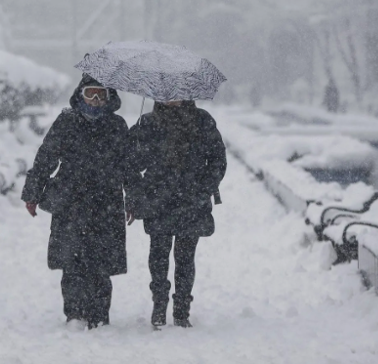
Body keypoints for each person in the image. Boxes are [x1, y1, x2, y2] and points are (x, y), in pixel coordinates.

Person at [21, 75, 128, 329]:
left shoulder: (117, 125)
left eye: (100, 94)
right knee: (72, 261)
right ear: (80, 94)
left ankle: (100, 314)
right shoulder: (66, 121)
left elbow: (129, 167)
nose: (95, 99)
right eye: (90, 93)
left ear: (108, 97)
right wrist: (32, 193)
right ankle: (75, 314)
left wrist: (134, 198)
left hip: (107, 202)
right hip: (71, 201)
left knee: (101, 264)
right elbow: (46, 157)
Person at [125, 100, 227, 328]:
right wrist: (135, 193)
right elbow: (129, 162)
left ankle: (182, 310)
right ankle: (159, 305)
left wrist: (204, 188)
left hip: (192, 200)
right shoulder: (148, 122)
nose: (173, 97)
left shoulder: (202, 120)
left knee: (185, 257)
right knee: (158, 256)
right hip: (158, 201)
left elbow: (218, 159)